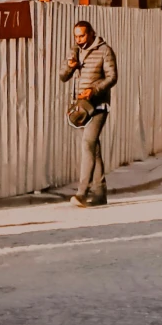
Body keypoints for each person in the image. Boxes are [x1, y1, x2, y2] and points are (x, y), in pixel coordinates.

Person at [61, 19, 119, 208]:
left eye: (82, 35)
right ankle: (100, 192)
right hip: (81, 108)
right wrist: (70, 65)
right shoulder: (75, 51)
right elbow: (62, 76)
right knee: (93, 149)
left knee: (88, 143)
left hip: (99, 105)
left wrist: (93, 90)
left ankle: (82, 192)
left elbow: (112, 77)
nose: (79, 39)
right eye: (76, 36)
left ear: (92, 33)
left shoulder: (105, 51)